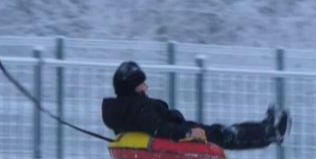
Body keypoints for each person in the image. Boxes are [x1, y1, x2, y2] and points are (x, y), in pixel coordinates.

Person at [102, 61, 290, 149]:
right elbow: (158, 128)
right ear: (133, 88)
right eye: (142, 83)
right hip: (179, 135)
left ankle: (266, 127)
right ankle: (271, 132)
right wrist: (187, 133)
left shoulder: (123, 108)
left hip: (177, 130)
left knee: (220, 131)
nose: (147, 86)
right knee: (224, 135)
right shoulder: (139, 107)